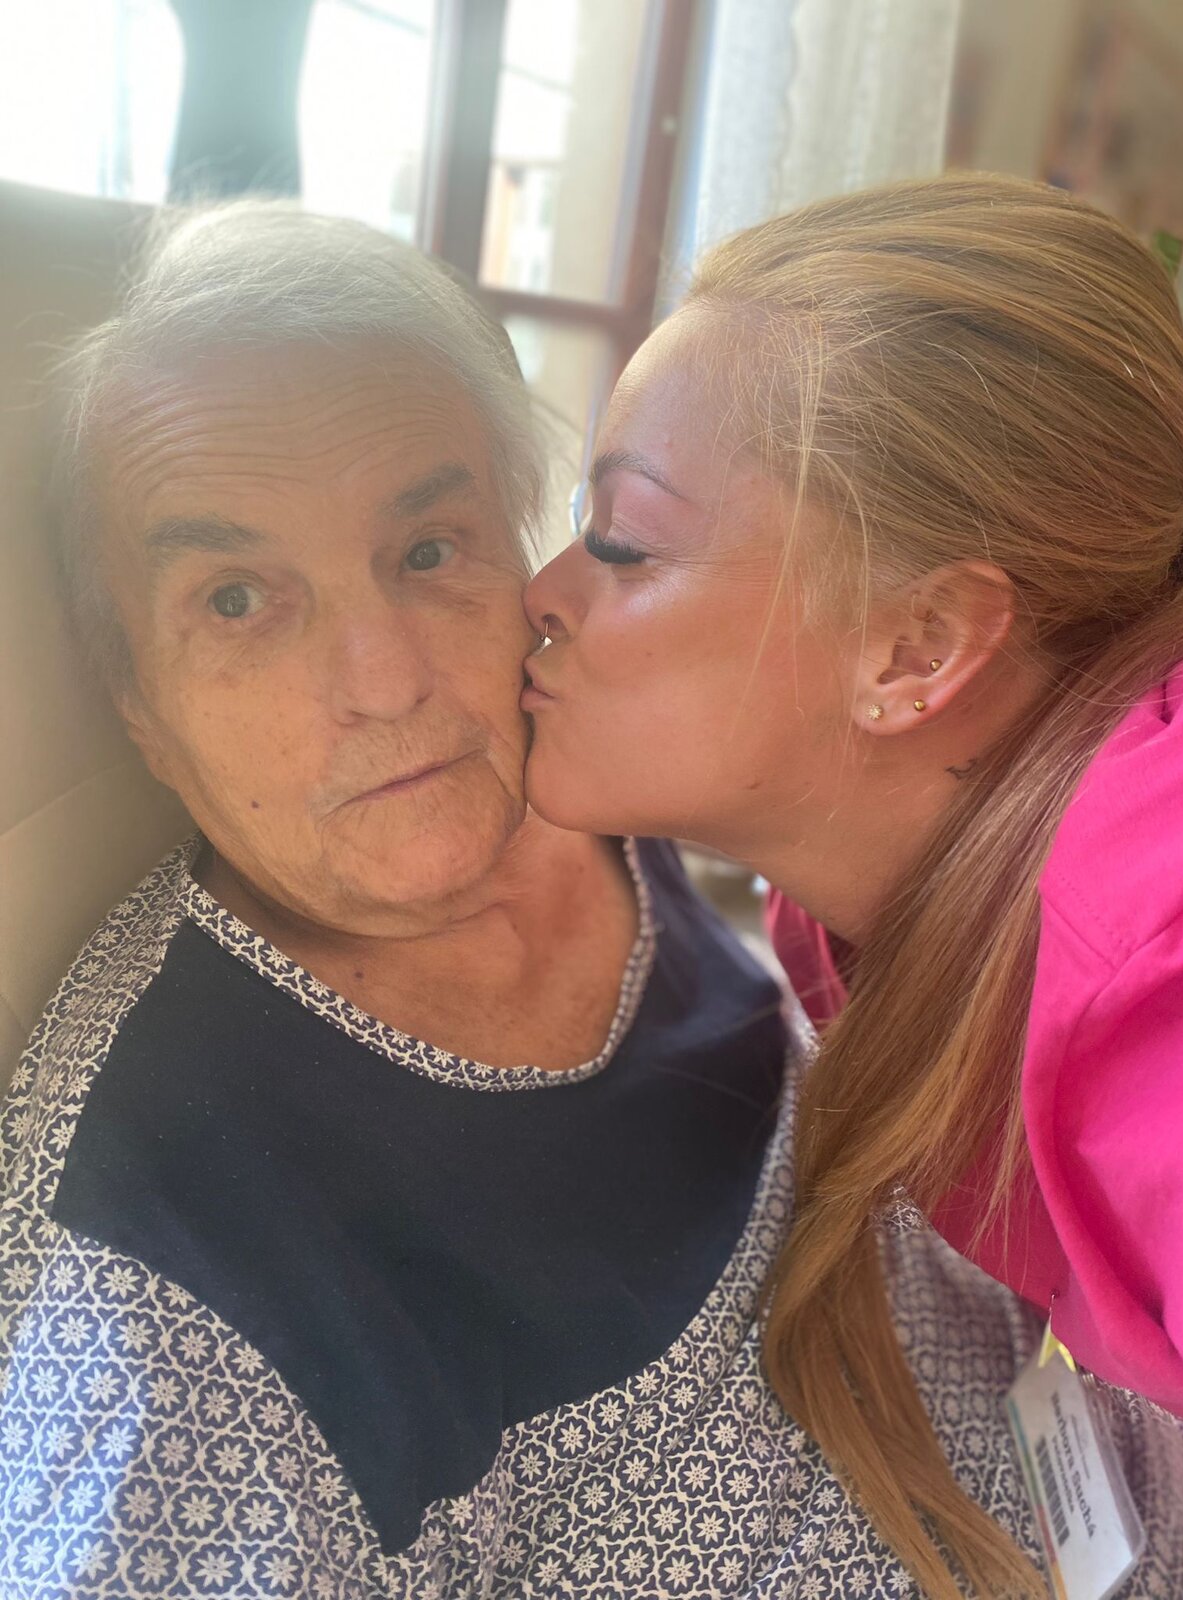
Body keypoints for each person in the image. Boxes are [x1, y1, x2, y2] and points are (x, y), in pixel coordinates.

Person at [0, 199, 1090, 1600]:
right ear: (140, 711)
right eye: (235, 602)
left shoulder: (588, 791)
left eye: (429, 549)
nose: (385, 680)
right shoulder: (152, 1261)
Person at [521, 174, 1183, 1596]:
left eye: (623, 542)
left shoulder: (1165, 981)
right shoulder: (839, 904)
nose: (543, 594)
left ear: (916, 649)